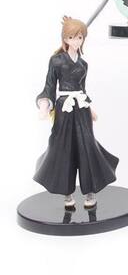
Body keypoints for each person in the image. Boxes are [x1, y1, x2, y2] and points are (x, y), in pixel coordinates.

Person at [35, 17, 118, 208]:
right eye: (72, 37)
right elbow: (49, 86)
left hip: (81, 110)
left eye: (79, 37)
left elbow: (83, 90)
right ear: (65, 38)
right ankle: (67, 193)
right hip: (64, 109)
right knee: (64, 148)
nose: (76, 41)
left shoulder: (83, 64)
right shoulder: (56, 61)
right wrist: (44, 105)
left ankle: (90, 191)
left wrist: (90, 109)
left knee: (87, 147)